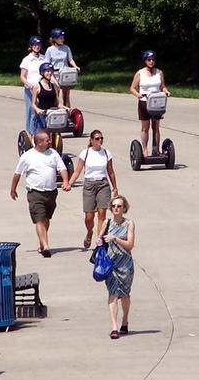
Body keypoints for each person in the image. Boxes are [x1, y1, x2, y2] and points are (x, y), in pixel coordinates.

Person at [10, 130, 71, 258]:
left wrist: (66, 181)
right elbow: (17, 174)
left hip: (51, 192)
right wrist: (13, 189)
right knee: (39, 219)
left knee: (46, 219)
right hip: (35, 193)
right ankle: (46, 246)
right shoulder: (27, 156)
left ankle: (41, 243)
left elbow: (62, 168)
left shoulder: (53, 153)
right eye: (47, 140)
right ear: (39, 142)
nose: (50, 142)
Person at [67, 129, 119, 248]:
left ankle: (99, 240)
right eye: (97, 138)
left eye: (101, 138)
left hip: (103, 185)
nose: (100, 140)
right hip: (89, 185)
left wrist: (115, 188)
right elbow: (77, 171)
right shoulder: (85, 153)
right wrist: (69, 183)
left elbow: (110, 172)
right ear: (91, 140)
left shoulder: (106, 153)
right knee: (89, 217)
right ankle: (89, 232)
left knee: (102, 214)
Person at [97, 195, 135, 339]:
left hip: (125, 264)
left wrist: (116, 239)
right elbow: (99, 238)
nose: (116, 209)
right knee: (112, 294)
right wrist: (100, 242)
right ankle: (114, 327)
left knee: (124, 295)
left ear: (124, 208)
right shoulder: (106, 222)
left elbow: (130, 245)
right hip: (110, 264)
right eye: (114, 206)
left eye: (119, 206)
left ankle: (124, 320)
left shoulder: (129, 224)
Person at [129, 50, 171, 157]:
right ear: (145, 61)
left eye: (153, 60)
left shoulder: (159, 72)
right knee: (145, 127)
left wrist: (166, 91)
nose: (151, 62)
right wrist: (138, 94)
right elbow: (132, 88)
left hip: (156, 102)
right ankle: (144, 150)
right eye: (149, 60)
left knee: (156, 127)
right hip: (144, 102)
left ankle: (156, 150)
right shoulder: (140, 73)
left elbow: (162, 86)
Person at [45, 28, 80, 108]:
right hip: (55, 74)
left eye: (63, 38)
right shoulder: (50, 50)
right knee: (56, 96)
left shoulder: (66, 48)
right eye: (60, 38)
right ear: (54, 39)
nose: (62, 39)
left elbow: (70, 59)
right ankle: (56, 114)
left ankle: (67, 114)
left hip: (65, 74)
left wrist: (75, 66)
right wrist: (51, 76)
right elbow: (47, 63)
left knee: (66, 96)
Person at [20, 36, 46, 135]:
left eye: (39, 45)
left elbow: (48, 73)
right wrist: (29, 84)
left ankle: (41, 132)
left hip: (42, 88)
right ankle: (30, 134)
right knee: (31, 111)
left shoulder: (43, 58)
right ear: (31, 46)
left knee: (42, 111)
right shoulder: (27, 59)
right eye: (35, 45)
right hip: (30, 89)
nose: (37, 47)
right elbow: (22, 76)